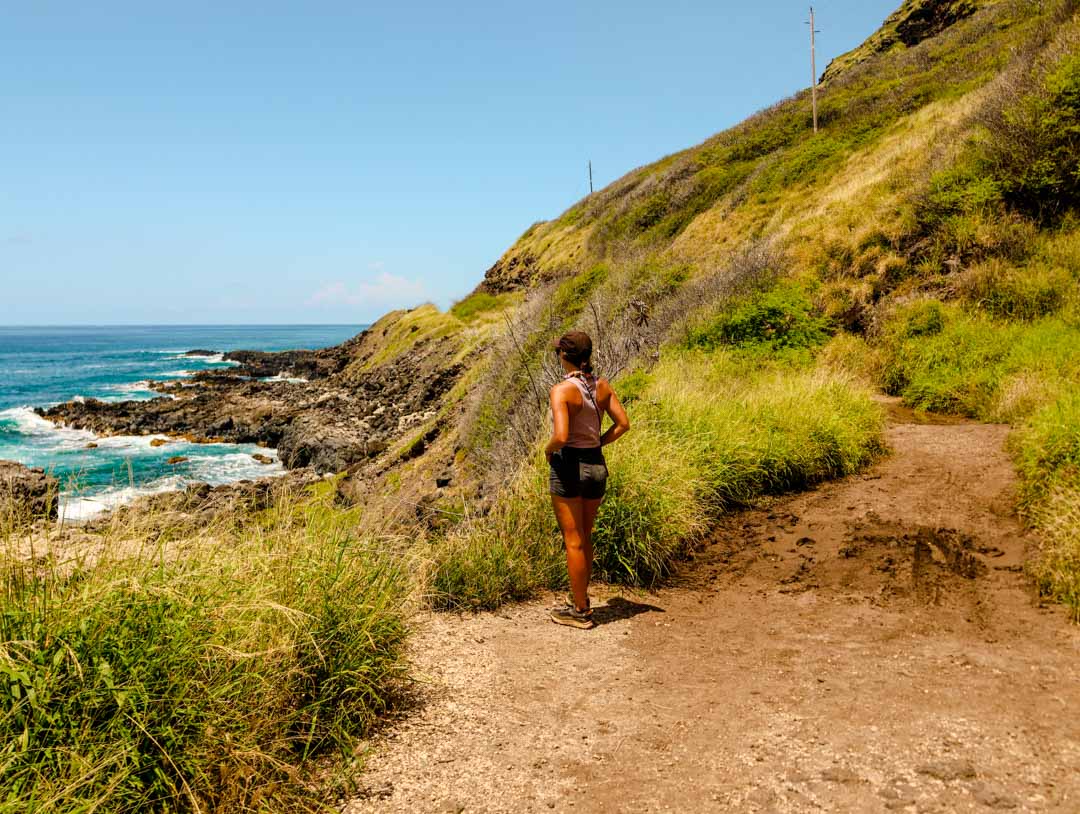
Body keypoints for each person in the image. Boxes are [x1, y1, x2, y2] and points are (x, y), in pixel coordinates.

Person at [545, 330, 630, 629]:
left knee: (573, 540)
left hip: (569, 465)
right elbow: (623, 424)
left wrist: (548, 450)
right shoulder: (602, 386)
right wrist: (598, 443)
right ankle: (579, 599)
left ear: (564, 356)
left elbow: (562, 435)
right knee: (585, 535)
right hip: (596, 464)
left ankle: (580, 610)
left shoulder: (562, 390)